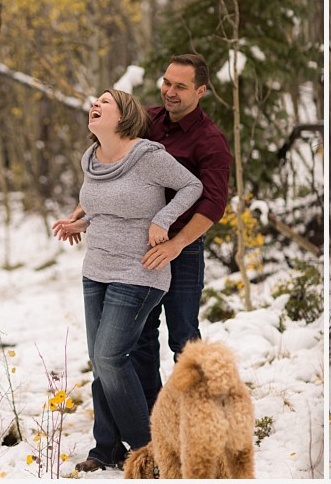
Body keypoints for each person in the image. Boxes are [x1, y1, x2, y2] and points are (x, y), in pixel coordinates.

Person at [56, 54, 232, 409]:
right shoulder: (147, 120)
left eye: (180, 86)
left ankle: (203, 414)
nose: (169, 91)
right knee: (139, 341)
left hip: (181, 247)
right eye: (166, 82)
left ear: (201, 91)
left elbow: (212, 203)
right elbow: (111, 167)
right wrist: (82, 214)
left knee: (182, 335)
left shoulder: (210, 140)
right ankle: (154, 423)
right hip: (136, 251)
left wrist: (177, 242)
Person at [52, 89, 203, 472]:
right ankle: (106, 448)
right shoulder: (91, 159)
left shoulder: (148, 156)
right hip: (96, 270)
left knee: (110, 356)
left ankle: (150, 451)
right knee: (102, 363)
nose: (95, 105)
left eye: (105, 101)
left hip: (140, 271)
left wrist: (162, 220)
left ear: (124, 116)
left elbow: (192, 187)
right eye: (94, 102)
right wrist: (79, 223)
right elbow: (104, 210)